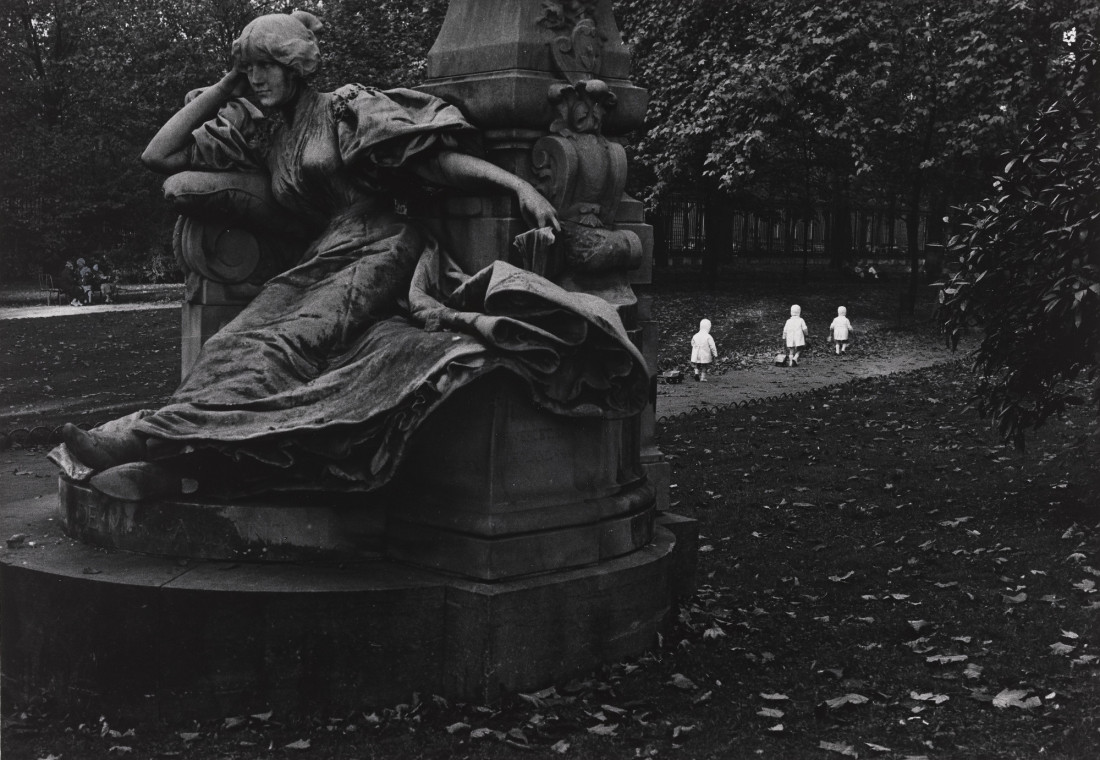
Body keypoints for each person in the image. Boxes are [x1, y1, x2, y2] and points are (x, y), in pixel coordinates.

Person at [55, 10, 647, 501]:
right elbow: (159, 157)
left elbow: (430, 163)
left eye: (268, 67)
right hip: (324, 255)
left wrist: (517, 186)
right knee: (231, 343)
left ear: (296, 66)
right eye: (251, 69)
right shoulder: (264, 134)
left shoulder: (343, 107)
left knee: (283, 348)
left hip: (383, 246)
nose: (259, 79)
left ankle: (147, 441)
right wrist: (227, 84)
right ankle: (172, 449)